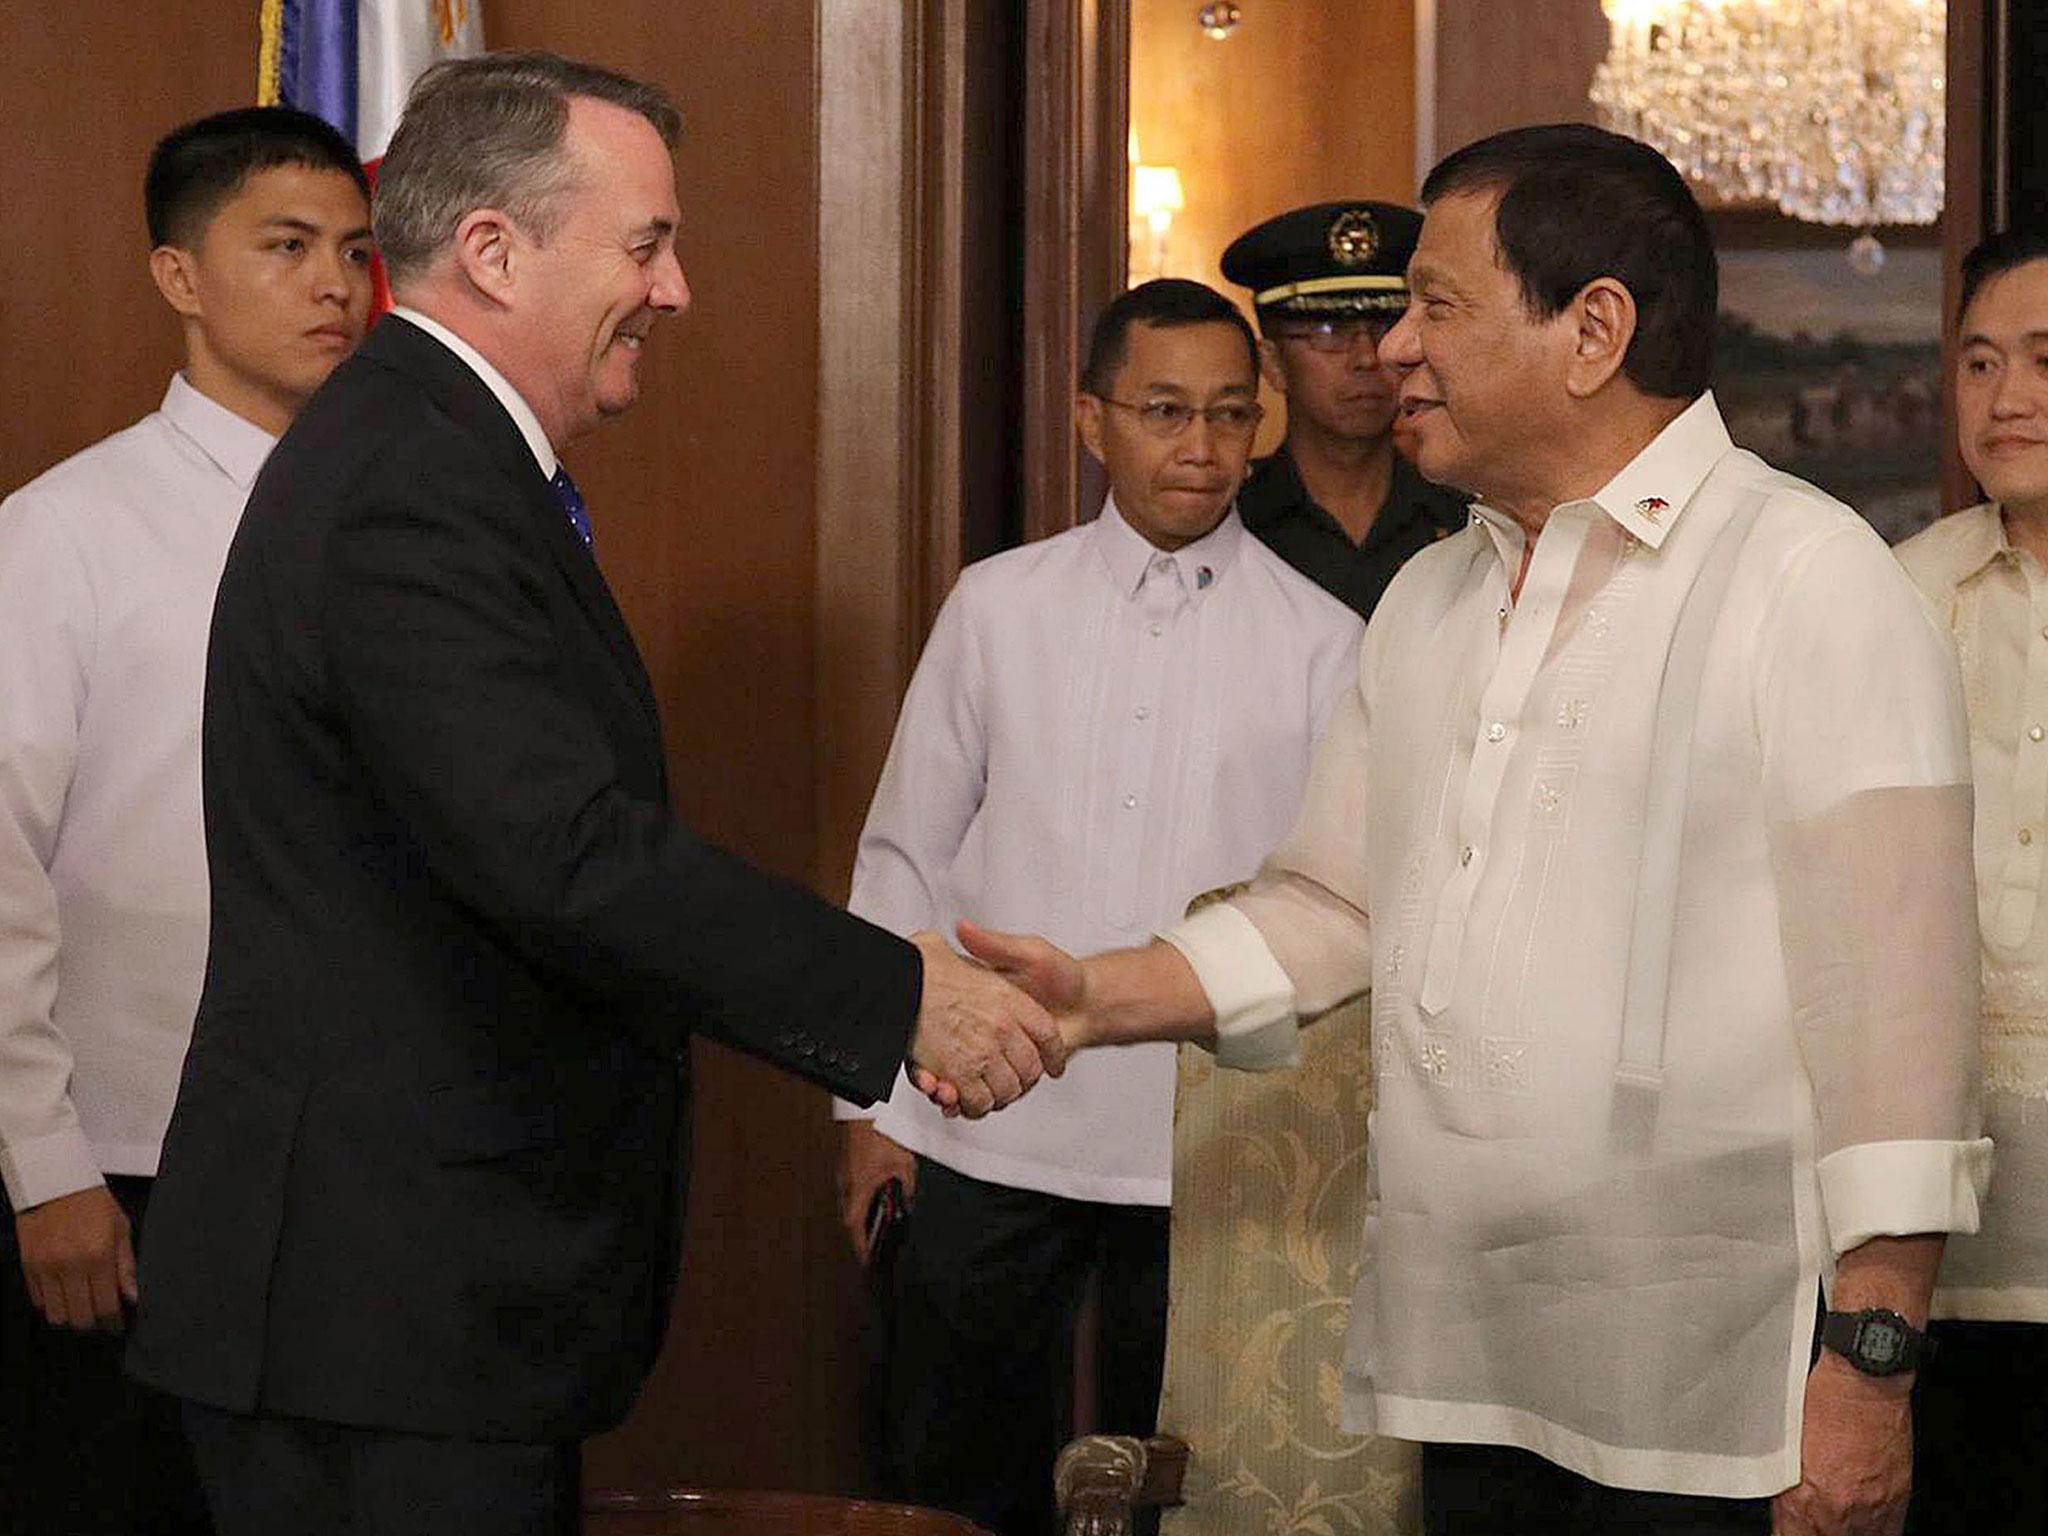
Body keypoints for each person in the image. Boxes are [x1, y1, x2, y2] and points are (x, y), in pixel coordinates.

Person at [953, 124, 1989, 1536]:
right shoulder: (1432, 600)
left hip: (1720, 1393)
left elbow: (1903, 1021)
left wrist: (1871, 1370)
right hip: (1471, 1361)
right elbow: (1335, 905)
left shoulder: (1811, 580)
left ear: (1594, 330)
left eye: (1435, 305)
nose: (1391, 352)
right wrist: (1091, 997)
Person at [123, 52, 1062, 1536]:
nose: (676, 290)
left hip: (423, 1304)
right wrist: (899, 998)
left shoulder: (433, 453)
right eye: (647, 243)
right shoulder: (410, 478)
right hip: (379, 1308)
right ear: (494, 250)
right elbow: (562, 853)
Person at [835, 278, 1363, 1536]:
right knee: (954, 1464)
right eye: (1164, 411)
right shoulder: (996, 604)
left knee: (1177, 1488)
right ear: (1091, 419)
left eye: (1231, 416)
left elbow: (1331, 902)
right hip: (983, 1117)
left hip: (1209, 1137)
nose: (1199, 448)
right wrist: (867, 1104)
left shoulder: (1323, 637)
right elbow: (903, 852)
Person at [0, 106, 375, 1536]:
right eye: (284, 248)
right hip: (134, 1162)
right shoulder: (66, 532)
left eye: (351, 249)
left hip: (355, 1156)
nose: (333, 284)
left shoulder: (396, 521)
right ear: (180, 279)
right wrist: (46, 1169)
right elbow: (3, 868)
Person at [1895, 226, 2048, 1536]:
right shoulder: (1897, 601)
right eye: (1982, 362)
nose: (2010, 401)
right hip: (1949, 1255)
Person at [1221, 201, 1468, 619]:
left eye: (1384, 327)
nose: (1367, 357)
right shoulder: (1231, 522)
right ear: (1274, 365)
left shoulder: (1463, 520)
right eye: (1329, 333)